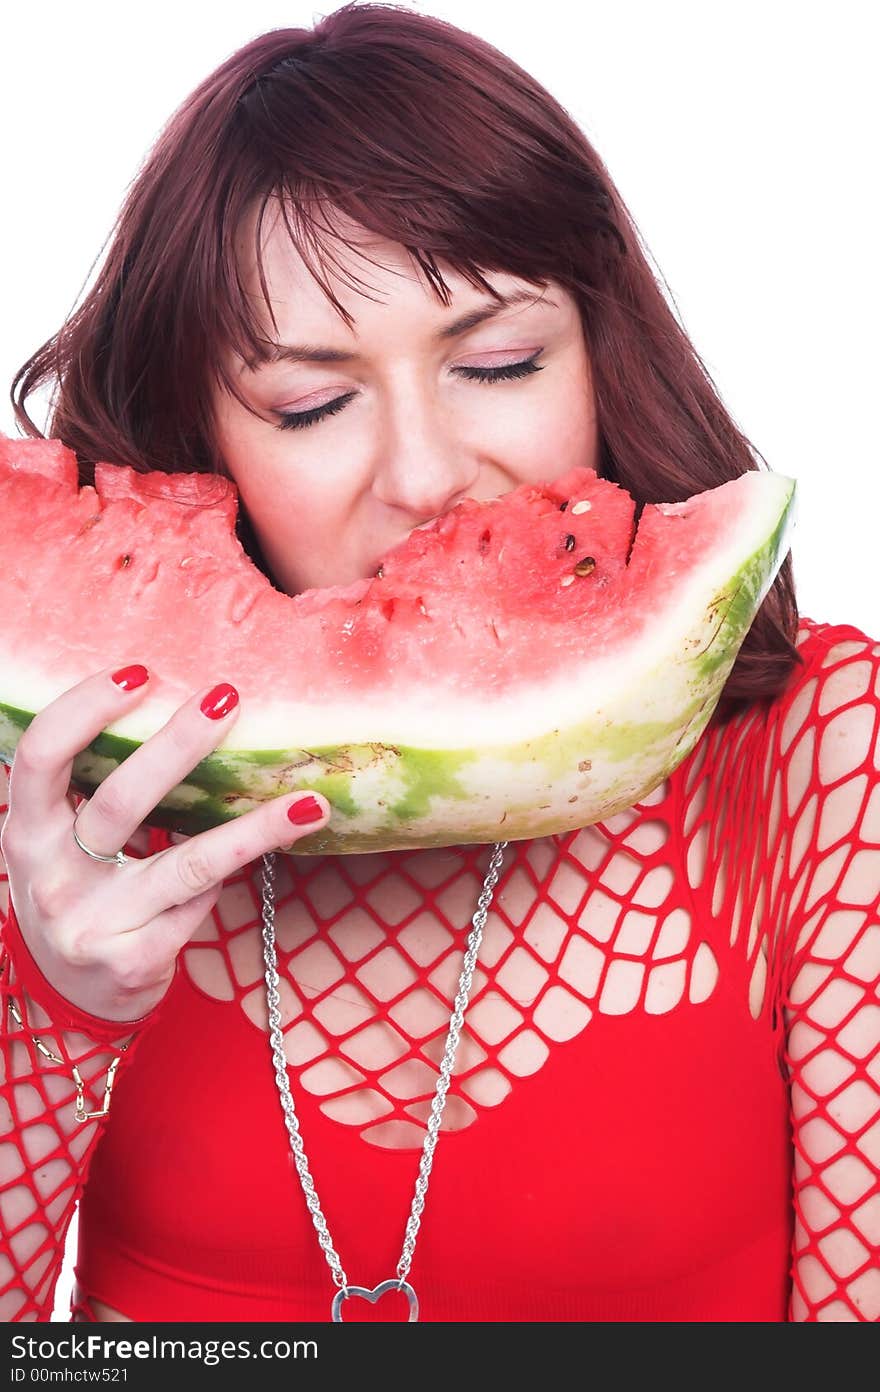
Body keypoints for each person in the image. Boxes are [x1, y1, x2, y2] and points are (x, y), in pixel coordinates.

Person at [1, 1, 878, 1325]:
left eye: (500, 361)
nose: (425, 475)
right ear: (202, 431)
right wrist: (56, 1007)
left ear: (599, 352)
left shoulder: (819, 745)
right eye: (312, 402)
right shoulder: (54, 782)